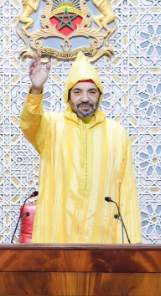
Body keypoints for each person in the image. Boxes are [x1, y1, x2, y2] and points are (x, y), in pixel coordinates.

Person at [20, 52, 142, 243]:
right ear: (68, 97)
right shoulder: (51, 126)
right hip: (57, 233)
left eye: (91, 92)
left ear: (100, 95)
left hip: (103, 237)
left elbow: (127, 191)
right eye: (77, 92)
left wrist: (131, 242)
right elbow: (29, 123)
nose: (85, 98)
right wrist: (36, 89)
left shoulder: (117, 133)